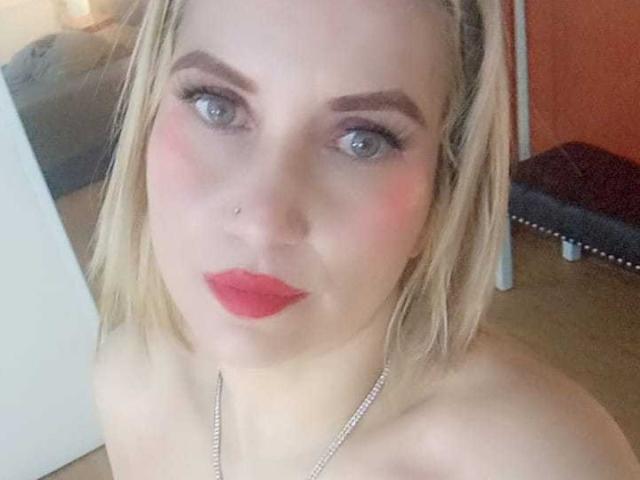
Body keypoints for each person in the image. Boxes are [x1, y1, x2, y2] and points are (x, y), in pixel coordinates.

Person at [88, 0, 640, 478]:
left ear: (443, 193)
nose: (263, 221)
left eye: (362, 141)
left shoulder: (542, 464)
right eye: (218, 105)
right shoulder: (131, 387)